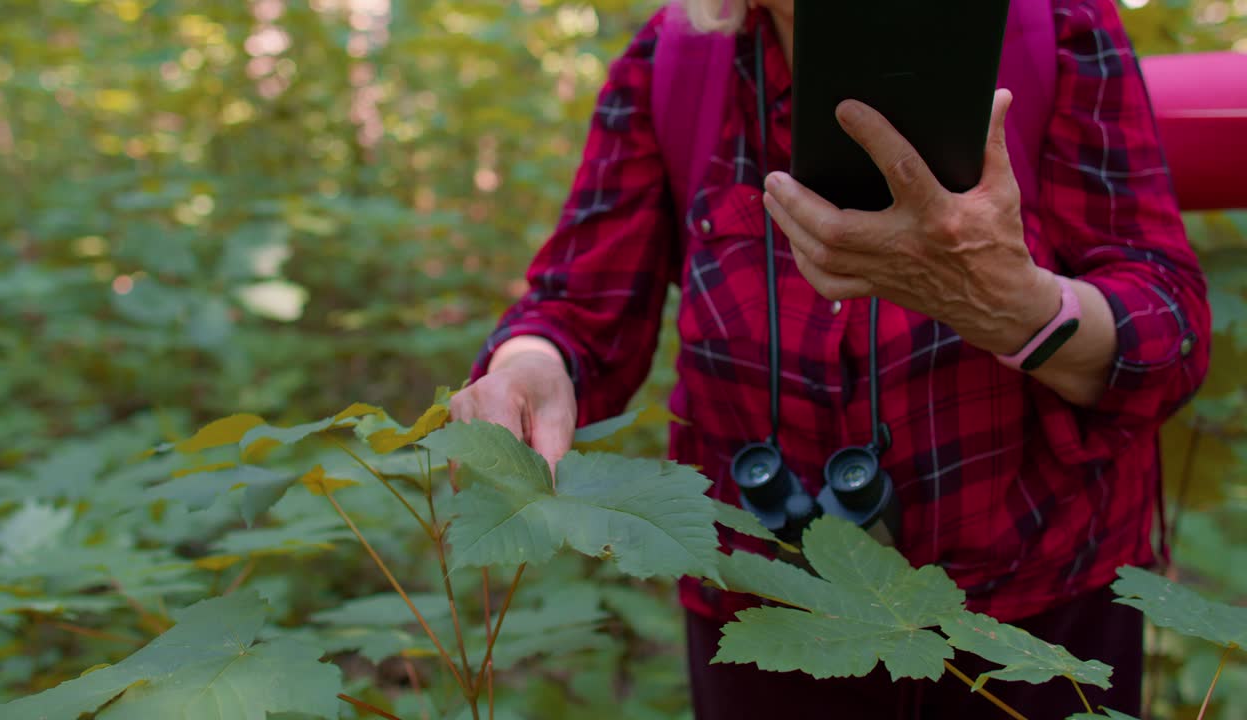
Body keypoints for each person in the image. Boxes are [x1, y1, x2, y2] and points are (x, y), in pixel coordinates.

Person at [451, 0, 1211, 717]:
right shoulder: (674, 63)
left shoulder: (1052, 27)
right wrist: (529, 363)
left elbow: (1171, 331)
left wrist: (1021, 311)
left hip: (1035, 617)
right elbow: (579, 307)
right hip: (772, 614)